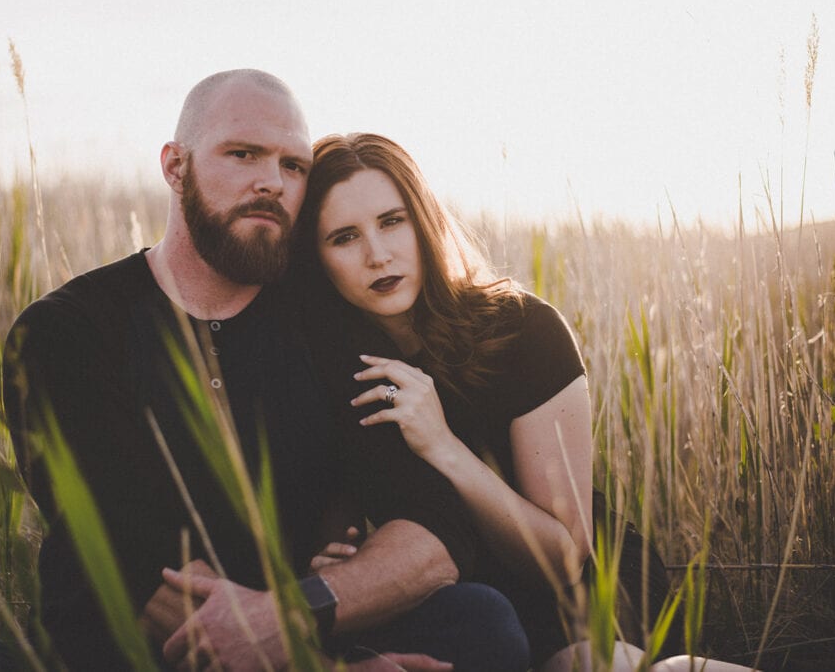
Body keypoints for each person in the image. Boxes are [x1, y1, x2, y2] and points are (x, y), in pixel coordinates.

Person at [0, 71, 528, 672]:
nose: (272, 182)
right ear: (176, 167)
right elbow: (138, 570)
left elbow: (436, 537)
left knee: (482, 621)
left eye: (293, 166)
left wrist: (296, 614)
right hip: (136, 658)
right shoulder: (67, 333)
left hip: (309, 630)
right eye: (243, 154)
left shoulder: (328, 325)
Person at [290, 132, 757, 672]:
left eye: (393, 221)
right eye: (344, 237)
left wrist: (442, 445)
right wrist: (337, 566)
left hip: (586, 595)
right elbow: (343, 512)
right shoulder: (331, 367)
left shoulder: (523, 331)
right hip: (464, 609)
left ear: (425, 221)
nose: (378, 254)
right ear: (317, 259)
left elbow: (563, 557)